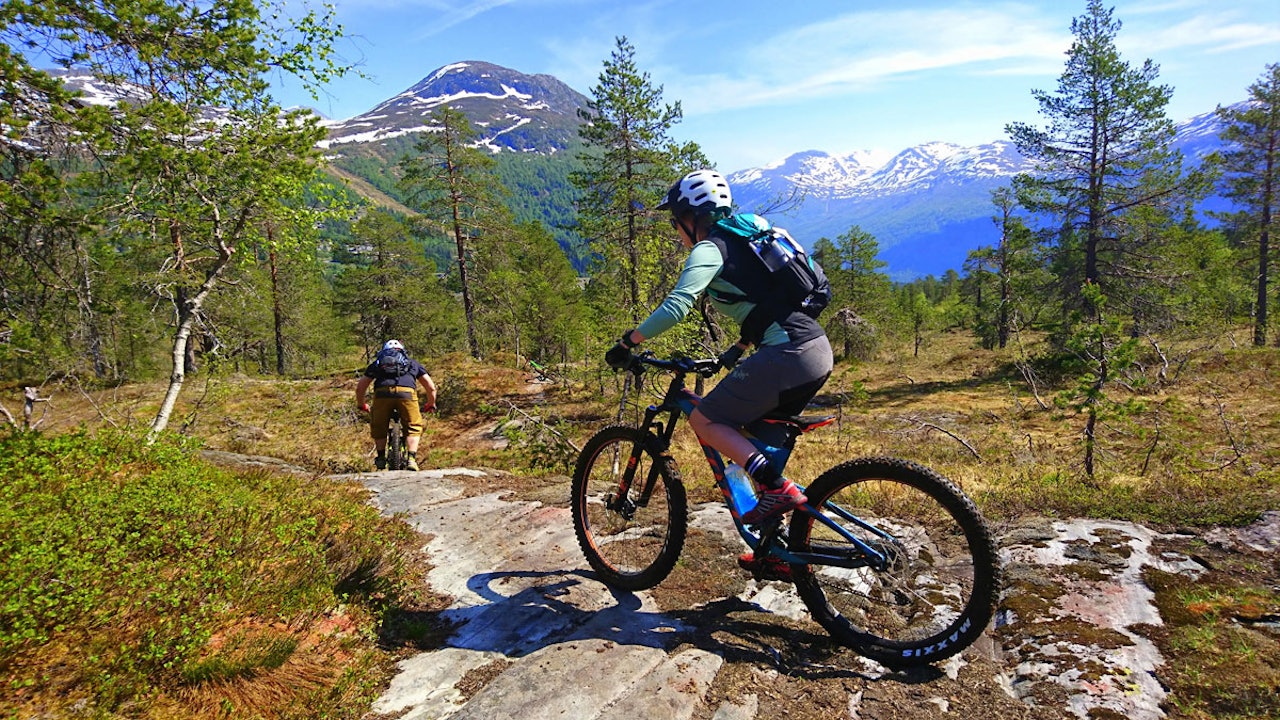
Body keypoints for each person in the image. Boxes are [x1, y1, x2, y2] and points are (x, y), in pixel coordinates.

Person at [605, 169, 833, 580]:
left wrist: (628, 343)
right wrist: (739, 349)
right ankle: (774, 548)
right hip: (814, 350)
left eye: (675, 221)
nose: (675, 231)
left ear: (690, 217)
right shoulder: (751, 235)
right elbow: (767, 300)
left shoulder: (710, 249)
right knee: (751, 438)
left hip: (789, 354)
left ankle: (775, 488)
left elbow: (677, 306)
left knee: (705, 419)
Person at [355, 340, 438, 471]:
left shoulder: (377, 363)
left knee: (379, 425)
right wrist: (431, 404)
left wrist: (362, 404)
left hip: (382, 394)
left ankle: (381, 458)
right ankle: (411, 459)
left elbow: (360, 388)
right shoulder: (412, 363)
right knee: (413, 425)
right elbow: (431, 387)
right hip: (407, 394)